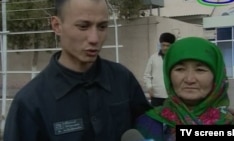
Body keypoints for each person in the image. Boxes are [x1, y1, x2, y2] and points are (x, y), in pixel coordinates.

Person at [3, 0, 152, 141]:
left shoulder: (122, 79)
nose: (94, 38)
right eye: (83, 26)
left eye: (102, 27)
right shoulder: (29, 103)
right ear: (56, 25)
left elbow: (154, 128)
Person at [136, 37, 234, 141]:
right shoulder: (148, 124)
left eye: (200, 70)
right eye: (180, 69)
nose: (189, 79)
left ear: (217, 77)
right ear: (168, 75)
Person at [143, 32, 176, 106]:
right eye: (163, 45)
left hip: (172, 96)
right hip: (156, 96)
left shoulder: (175, 58)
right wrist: (149, 87)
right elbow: (147, 75)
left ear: (172, 45)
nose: (165, 48)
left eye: (168, 46)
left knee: (172, 117)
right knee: (156, 116)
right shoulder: (153, 58)